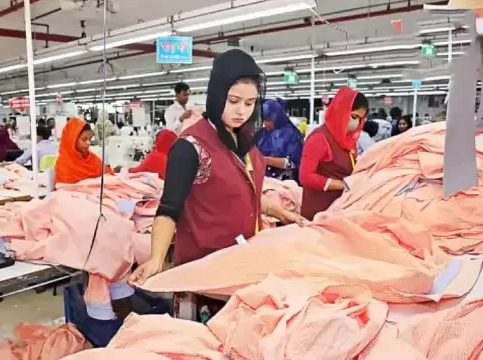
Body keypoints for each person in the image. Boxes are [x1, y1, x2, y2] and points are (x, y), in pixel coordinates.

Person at [129, 49, 304, 288]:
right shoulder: (190, 147)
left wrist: (282, 213)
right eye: (233, 101)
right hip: (205, 270)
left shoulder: (246, 142)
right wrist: (156, 258)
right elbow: (169, 209)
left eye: (250, 103)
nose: (241, 111)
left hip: (243, 262)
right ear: (217, 94)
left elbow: (243, 194)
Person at [299, 87, 369, 220]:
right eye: (354, 117)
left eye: (360, 119)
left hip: (339, 208)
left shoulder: (347, 139)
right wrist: (344, 185)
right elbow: (305, 176)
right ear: (340, 111)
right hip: (319, 211)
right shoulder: (320, 138)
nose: (356, 123)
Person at [254, 99, 303, 181]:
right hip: (263, 180)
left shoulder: (292, 135)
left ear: (276, 118)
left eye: (268, 120)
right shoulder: (262, 134)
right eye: (264, 120)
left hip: (285, 183)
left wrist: (266, 160)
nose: (265, 123)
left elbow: (292, 163)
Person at [54, 117, 114, 184]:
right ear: (72, 139)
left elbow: (108, 174)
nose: (88, 143)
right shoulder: (64, 166)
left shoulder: (91, 159)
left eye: (90, 139)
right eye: (84, 139)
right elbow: (65, 189)